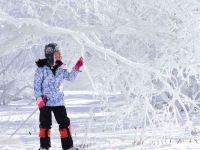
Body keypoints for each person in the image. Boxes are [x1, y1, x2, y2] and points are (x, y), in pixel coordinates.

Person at [34, 43, 83, 150]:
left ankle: (68, 147)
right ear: (50, 55)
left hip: (58, 102)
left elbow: (70, 78)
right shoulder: (41, 69)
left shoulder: (61, 68)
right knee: (45, 125)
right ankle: (44, 147)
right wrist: (39, 99)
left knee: (64, 123)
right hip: (45, 102)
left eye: (60, 53)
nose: (60, 55)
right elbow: (37, 85)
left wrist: (76, 68)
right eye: (57, 53)